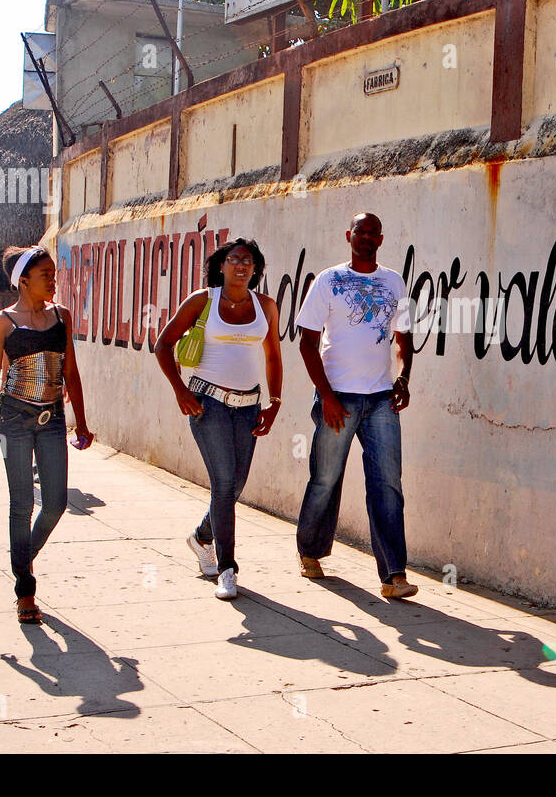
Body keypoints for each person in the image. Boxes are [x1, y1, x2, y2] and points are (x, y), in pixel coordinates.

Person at [295, 212, 417, 598]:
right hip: (339, 398)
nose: (366, 238)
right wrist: (327, 396)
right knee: (326, 479)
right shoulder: (328, 280)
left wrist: (403, 378)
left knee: (388, 485)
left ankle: (393, 574)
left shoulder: (394, 280)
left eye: (373, 233)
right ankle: (310, 551)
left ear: (381, 240)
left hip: (381, 399)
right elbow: (307, 343)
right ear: (349, 235)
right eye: (359, 232)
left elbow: (404, 337)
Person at [155, 239, 283, 600]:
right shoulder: (202, 300)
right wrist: (180, 390)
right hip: (207, 403)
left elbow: (273, 357)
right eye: (233, 260)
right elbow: (163, 345)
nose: (241, 265)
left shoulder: (266, 306)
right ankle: (227, 569)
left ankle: (201, 537)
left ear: (256, 268)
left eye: (248, 260)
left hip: (249, 406)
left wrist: (274, 402)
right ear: (221, 266)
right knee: (224, 483)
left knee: (235, 486)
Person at [0, 245, 93, 624]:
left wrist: (83, 421)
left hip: (53, 418)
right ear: (23, 281)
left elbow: (70, 372)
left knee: (56, 503)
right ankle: (25, 589)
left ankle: (21, 560)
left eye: (55, 275)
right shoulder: (3, 322)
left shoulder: (63, 316)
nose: (54, 282)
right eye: (46, 276)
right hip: (14, 420)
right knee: (21, 504)